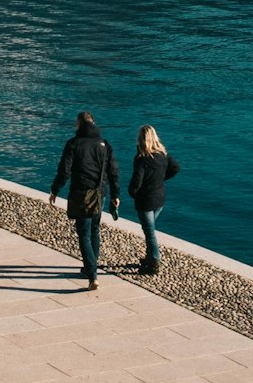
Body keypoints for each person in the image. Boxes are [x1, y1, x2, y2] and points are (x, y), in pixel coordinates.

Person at [49, 111, 120, 289]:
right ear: (94, 123)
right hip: (99, 193)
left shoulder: (73, 144)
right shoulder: (105, 144)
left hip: (80, 193)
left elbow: (64, 170)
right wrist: (115, 195)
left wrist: (55, 190)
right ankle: (90, 267)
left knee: (84, 233)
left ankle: (92, 274)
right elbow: (113, 172)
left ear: (79, 124)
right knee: (95, 230)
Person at [127, 125, 180, 275]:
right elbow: (175, 168)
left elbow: (136, 182)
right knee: (149, 229)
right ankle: (149, 257)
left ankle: (154, 261)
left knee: (149, 231)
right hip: (160, 198)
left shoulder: (141, 158)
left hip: (145, 201)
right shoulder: (162, 154)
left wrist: (133, 193)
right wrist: (161, 179)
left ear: (140, 139)